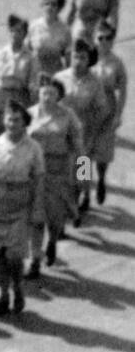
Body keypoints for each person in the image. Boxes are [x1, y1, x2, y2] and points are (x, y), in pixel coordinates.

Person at [0, 101, 45, 316]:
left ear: (25, 123)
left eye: (17, 120)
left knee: (16, 254)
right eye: (9, 119)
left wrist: (83, 178)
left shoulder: (35, 146)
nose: (12, 124)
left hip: (55, 176)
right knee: (0, 253)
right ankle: (4, 294)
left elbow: (82, 150)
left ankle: (46, 248)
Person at [27, 76, 84, 274]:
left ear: (59, 95)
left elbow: (80, 149)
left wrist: (83, 178)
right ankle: (34, 260)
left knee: (54, 215)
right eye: (44, 93)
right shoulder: (29, 114)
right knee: (35, 218)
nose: (47, 97)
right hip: (34, 172)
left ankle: (52, 241)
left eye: (52, 93)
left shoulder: (68, 116)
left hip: (59, 170)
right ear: (38, 94)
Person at [56, 39, 113, 220]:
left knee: (82, 170)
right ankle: (68, 204)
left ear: (89, 60)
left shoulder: (95, 82)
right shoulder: (59, 78)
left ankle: (83, 195)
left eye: (82, 57)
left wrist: (93, 130)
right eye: (75, 56)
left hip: (84, 132)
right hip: (62, 132)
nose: (78, 61)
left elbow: (102, 109)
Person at [92, 21, 127, 206]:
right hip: (87, 111)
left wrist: (118, 115)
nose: (104, 42)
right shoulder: (86, 57)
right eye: (100, 38)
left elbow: (122, 90)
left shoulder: (117, 63)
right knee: (83, 154)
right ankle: (83, 192)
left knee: (103, 152)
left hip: (107, 111)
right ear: (94, 39)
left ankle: (101, 179)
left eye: (108, 38)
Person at [0, 14, 37, 139]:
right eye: (12, 30)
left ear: (25, 34)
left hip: (20, 96)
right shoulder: (0, 54)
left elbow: (32, 85)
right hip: (1, 96)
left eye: (19, 31)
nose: (15, 34)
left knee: (19, 134)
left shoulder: (31, 57)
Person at [29, 0, 71, 80]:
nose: (49, 7)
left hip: (56, 76)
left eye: (53, 4)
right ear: (42, 6)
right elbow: (27, 52)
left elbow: (68, 58)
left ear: (59, 8)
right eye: (47, 3)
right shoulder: (33, 27)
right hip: (37, 76)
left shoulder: (65, 29)